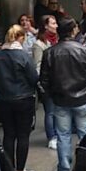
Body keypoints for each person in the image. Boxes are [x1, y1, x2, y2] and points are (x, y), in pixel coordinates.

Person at [40, 19, 86, 171]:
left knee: (63, 135)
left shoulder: (50, 52)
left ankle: (64, 169)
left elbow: (44, 80)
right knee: (85, 134)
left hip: (60, 100)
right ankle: (85, 168)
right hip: (82, 98)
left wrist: (51, 95)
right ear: (74, 30)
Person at [0, 25, 40, 171]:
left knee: (9, 134)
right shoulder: (23, 56)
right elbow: (33, 77)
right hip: (24, 99)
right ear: (21, 38)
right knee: (23, 135)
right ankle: (20, 170)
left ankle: (10, 169)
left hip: (3, 100)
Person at [34, 15, 59, 150]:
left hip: (57, 81)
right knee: (50, 111)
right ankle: (52, 137)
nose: (56, 26)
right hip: (47, 82)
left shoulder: (56, 40)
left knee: (56, 110)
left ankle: (57, 134)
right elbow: (37, 65)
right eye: (53, 23)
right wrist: (42, 83)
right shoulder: (39, 45)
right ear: (45, 26)